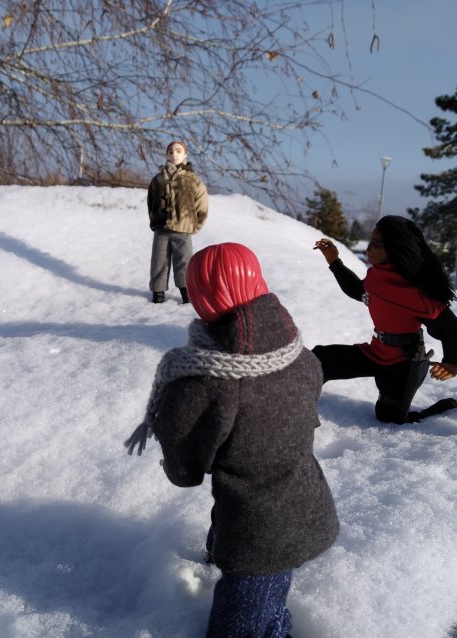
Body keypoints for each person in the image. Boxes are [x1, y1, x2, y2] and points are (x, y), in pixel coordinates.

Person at [125, 242, 339, 638]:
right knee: (251, 556)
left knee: (242, 622)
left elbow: (185, 457)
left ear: (202, 297)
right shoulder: (298, 353)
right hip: (307, 497)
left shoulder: (206, 383)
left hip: (262, 536)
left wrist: (183, 468)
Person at [312, 215, 457, 424]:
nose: (369, 248)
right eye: (370, 241)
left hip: (401, 365)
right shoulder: (377, 275)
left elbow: (453, 330)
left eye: (376, 244)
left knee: (389, 417)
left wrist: (451, 362)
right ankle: (292, 400)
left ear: (394, 248)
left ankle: (438, 409)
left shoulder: (417, 294)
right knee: (317, 360)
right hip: (375, 352)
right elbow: (359, 291)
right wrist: (334, 261)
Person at [146, 140, 208, 304]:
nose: (174, 154)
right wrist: (155, 219)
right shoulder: (158, 179)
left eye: (178, 151)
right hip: (161, 229)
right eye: (171, 151)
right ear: (166, 155)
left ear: (185, 155)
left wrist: (196, 225)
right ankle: (158, 293)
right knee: (159, 261)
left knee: (184, 262)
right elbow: (151, 202)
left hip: (183, 228)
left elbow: (201, 204)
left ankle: (187, 293)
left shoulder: (193, 180)